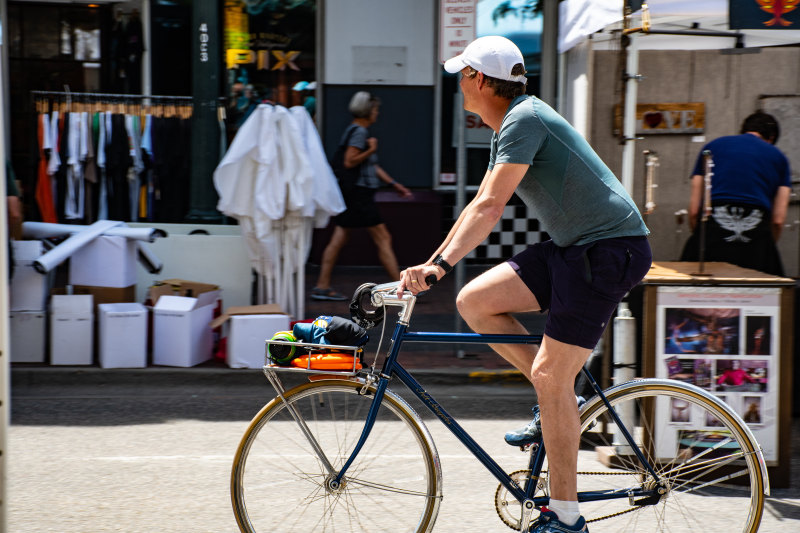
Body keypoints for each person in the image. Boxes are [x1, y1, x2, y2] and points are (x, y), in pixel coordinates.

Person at [397, 36, 651, 533]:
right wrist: (434, 263)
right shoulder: (513, 122)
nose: (459, 86)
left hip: (607, 250)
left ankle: (566, 515)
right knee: (476, 302)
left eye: (461, 76)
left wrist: (439, 266)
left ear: (479, 79)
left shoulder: (525, 119)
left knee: (551, 376)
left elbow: (491, 208)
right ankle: (563, 405)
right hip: (574, 247)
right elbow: (479, 205)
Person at [311, 91, 412, 301]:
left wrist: (394, 184)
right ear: (366, 111)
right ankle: (400, 289)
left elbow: (371, 166)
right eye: (375, 109)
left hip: (354, 194)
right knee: (383, 237)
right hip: (359, 195)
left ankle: (322, 285)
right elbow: (350, 161)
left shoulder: (355, 131)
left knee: (340, 237)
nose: (377, 113)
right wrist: (371, 149)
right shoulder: (359, 132)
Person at [680, 111, 791, 276]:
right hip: (757, 239)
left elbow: (695, 210)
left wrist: (702, 237)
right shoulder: (779, 158)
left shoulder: (711, 148)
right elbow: (778, 220)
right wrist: (766, 246)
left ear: (744, 129)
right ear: (772, 137)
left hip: (712, 232)